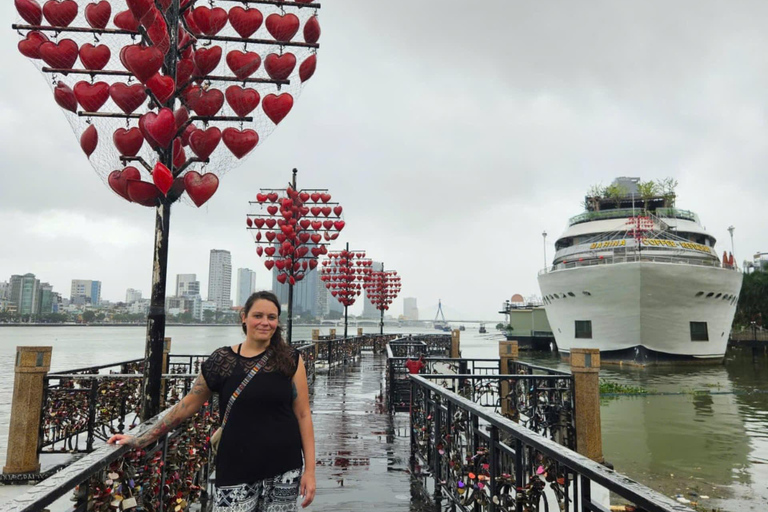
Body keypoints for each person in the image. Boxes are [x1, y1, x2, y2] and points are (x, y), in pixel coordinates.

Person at [108, 291, 316, 511]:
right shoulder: (221, 361)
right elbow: (187, 405)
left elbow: (303, 414)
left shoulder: (290, 360)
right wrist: (140, 439)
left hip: (283, 467)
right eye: (258, 315)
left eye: (272, 317)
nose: (265, 322)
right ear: (244, 317)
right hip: (236, 465)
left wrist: (310, 472)